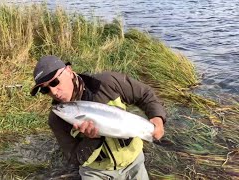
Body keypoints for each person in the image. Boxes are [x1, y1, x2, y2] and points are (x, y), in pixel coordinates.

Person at [31, 55, 166, 180]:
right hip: (95, 173)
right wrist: (91, 139)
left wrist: (157, 118)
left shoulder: (107, 83)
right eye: (45, 90)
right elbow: (74, 158)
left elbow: (145, 94)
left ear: (69, 71)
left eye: (55, 82)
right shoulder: (57, 119)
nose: (53, 91)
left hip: (134, 162)